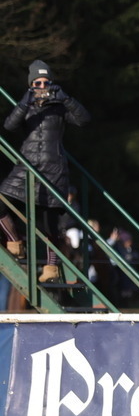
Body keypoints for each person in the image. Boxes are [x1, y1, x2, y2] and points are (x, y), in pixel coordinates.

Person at [0, 60, 90, 283]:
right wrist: (24, 102)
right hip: (26, 167)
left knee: (51, 224)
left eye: (46, 82)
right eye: (37, 82)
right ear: (31, 84)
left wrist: (66, 98)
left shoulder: (59, 107)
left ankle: (51, 268)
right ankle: (14, 240)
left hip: (54, 170)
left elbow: (84, 120)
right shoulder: (26, 105)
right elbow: (9, 125)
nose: (42, 86)